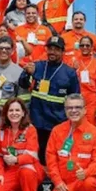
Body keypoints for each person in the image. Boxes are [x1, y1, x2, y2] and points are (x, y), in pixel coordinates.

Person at [19, 35, 80, 169]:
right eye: (50, 48)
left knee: (56, 155)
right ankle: (40, 181)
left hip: (58, 122)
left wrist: (72, 121)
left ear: (63, 52)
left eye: (56, 49)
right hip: (37, 121)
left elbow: (74, 98)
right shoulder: (37, 66)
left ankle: (55, 180)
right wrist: (27, 73)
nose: (52, 52)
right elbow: (23, 84)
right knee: (38, 156)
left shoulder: (70, 73)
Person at [68, 36, 96, 125]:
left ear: (92, 47)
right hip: (76, 99)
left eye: (87, 45)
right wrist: (73, 69)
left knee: (90, 127)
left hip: (91, 102)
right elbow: (68, 81)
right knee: (75, 126)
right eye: (82, 45)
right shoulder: (73, 61)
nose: (85, 47)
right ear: (79, 47)